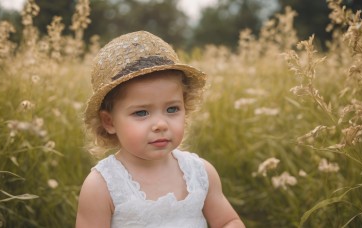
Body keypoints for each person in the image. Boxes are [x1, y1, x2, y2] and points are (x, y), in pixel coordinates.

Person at [76, 31, 245, 228]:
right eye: (141, 113)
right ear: (109, 122)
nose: (161, 124)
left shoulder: (200, 173)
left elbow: (228, 221)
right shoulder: (102, 186)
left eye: (172, 109)